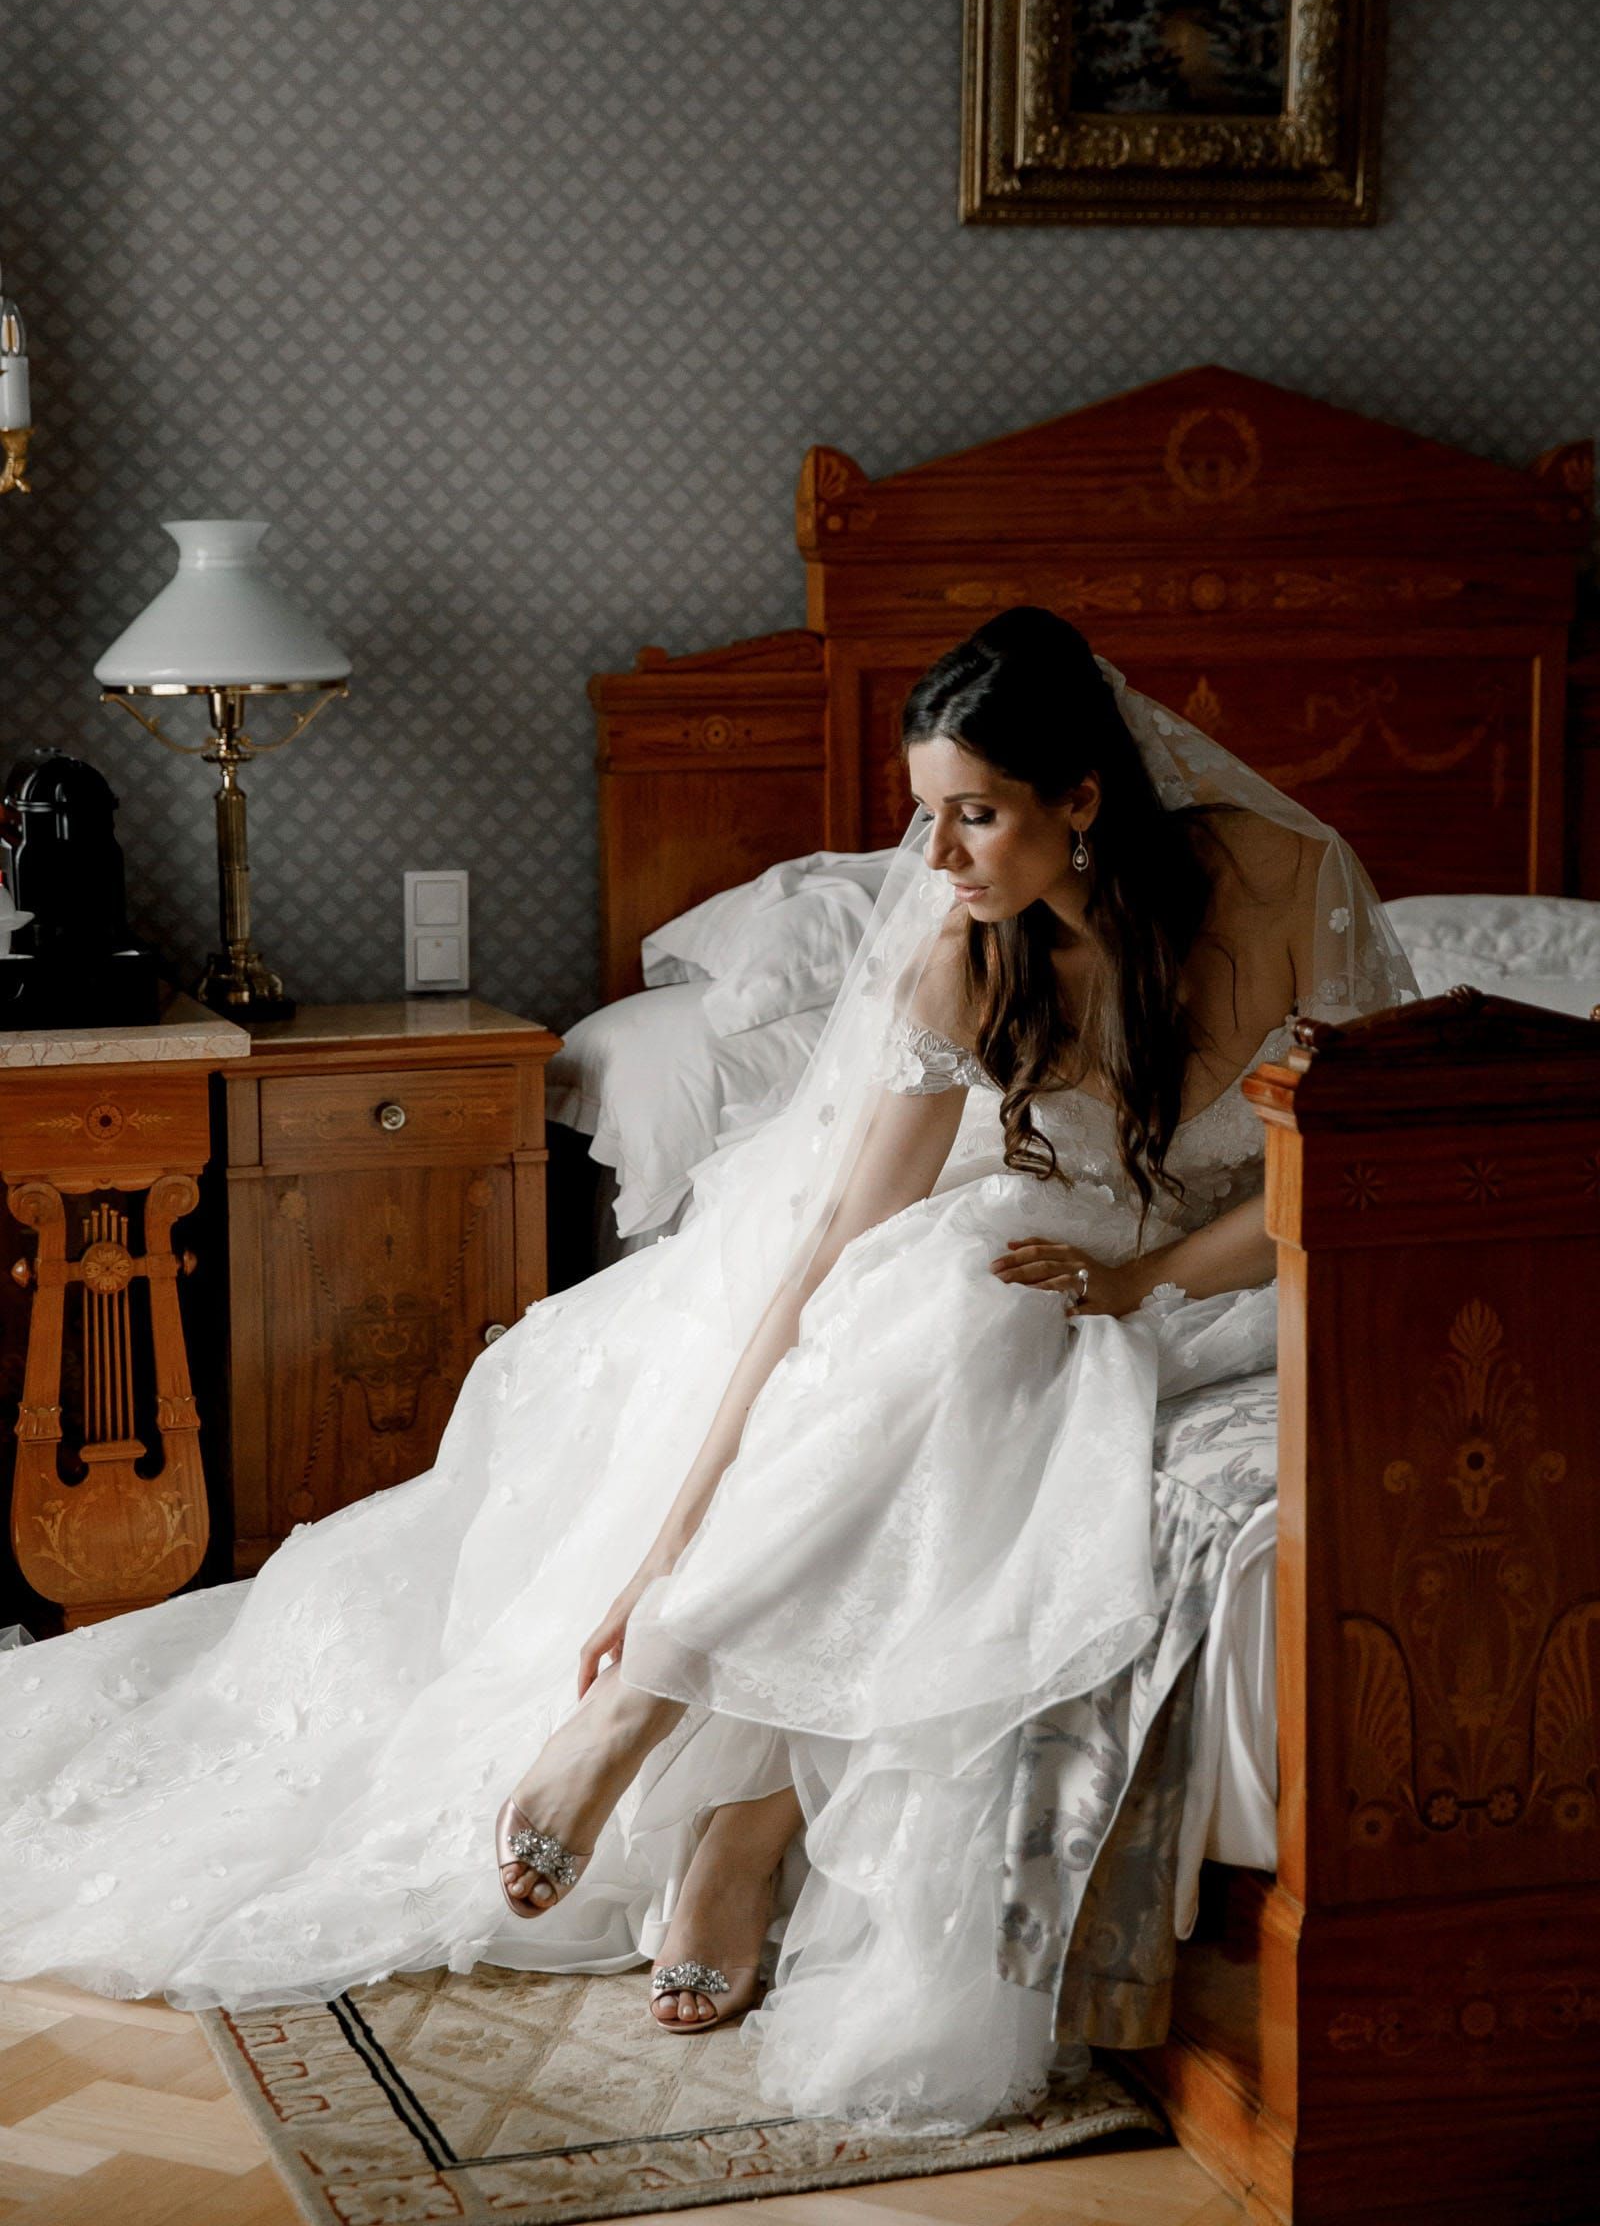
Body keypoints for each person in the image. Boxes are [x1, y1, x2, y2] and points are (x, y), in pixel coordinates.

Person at [0, 612, 1414, 2135]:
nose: (931, 856)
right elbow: (825, 1264)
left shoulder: (1289, 888)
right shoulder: (960, 960)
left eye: (975, 815)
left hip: (1244, 1273)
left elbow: (1348, 1173)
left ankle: (733, 1819)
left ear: (1086, 794)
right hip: (1027, 1268)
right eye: (922, 811)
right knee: (953, 1301)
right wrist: (671, 1544)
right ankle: (672, 1735)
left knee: (1007, 1326)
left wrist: (1139, 1285)